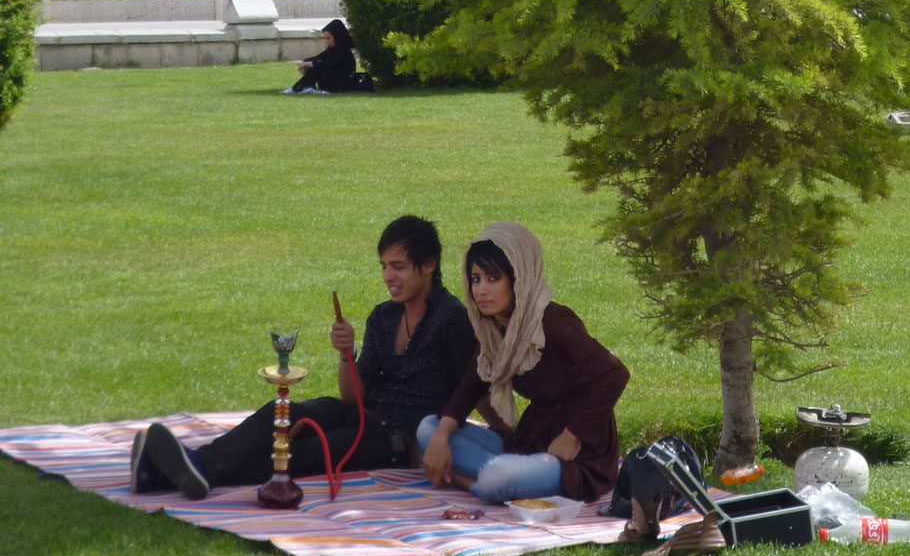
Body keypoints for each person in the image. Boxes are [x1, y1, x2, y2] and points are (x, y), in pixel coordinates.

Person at [131, 215, 477, 500]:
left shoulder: (451, 318)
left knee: (299, 454)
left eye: (398, 266)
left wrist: (482, 434)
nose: (388, 276)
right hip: (362, 415)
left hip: (399, 441)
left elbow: (470, 387)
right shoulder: (383, 316)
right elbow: (352, 397)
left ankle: (168, 474)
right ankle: (196, 465)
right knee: (280, 414)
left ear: (429, 264)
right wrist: (345, 354)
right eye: (384, 266)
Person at [418, 222, 630, 504]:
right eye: (476, 278)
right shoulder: (494, 329)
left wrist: (572, 435)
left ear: (519, 278)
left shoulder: (553, 323)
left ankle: (478, 483)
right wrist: (442, 437)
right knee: (428, 430)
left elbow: (614, 374)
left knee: (497, 477)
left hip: (577, 453)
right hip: (531, 442)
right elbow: (470, 387)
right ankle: (501, 478)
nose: (481, 289)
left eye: (493, 279)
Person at [281, 19, 369, 94]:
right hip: (332, 79)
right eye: (325, 38)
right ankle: (309, 87)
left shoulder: (343, 51)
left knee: (318, 66)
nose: (326, 42)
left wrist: (309, 64)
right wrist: (305, 63)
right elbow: (318, 58)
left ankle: (296, 88)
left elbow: (328, 63)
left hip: (342, 83)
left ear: (337, 37)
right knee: (312, 62)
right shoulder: (332, 50)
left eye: (329, 38)